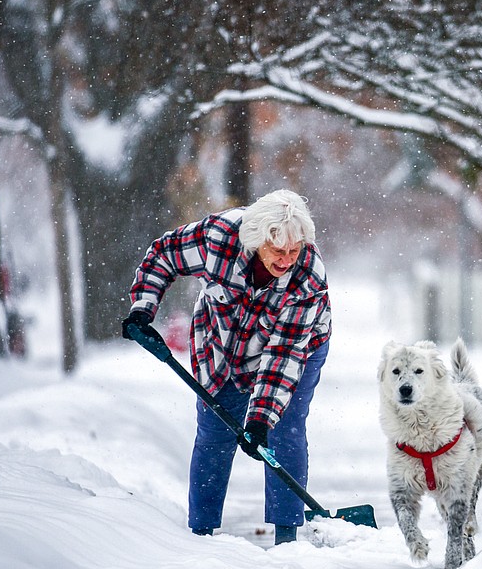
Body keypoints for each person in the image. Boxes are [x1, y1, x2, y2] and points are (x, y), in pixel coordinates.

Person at [121, 189, 331, 545]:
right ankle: (200, 533)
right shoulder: (218, 237)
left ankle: (286, 537)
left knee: (284, 428)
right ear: (255, 240)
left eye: (293, 251)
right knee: (215, 429)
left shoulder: (308, 277)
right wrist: (144, 307)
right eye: (277, 251)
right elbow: (164, 255)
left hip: (296, 348)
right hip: (221, 343)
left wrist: (261, 420)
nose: (286, 260)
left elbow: (282, 357)